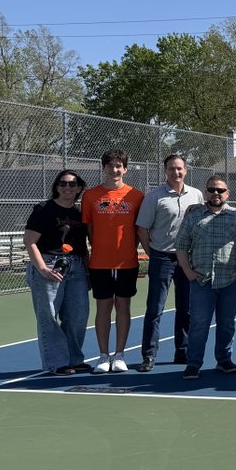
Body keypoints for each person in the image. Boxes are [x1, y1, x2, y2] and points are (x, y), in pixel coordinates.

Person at [175, 176, 236, 379]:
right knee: (199, 324)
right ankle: (193, 363)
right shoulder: (193, 216)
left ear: (228, 193)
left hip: (230, 280)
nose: (216, 193)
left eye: (220, 190)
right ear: (206, 192)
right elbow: (182, 246)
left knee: (227, 323)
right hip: (202, 280)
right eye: (212, 190)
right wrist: (188, 271)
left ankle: (224, 360)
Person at [135, 154, 204, 371]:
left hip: (188, 260)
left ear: (186, 170)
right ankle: (148, 356)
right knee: (155, 308)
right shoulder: (154, 197)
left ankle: (182, 352)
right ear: (165, 171)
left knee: (187, 309)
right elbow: (142, 229)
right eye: (171, 169)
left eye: (179, 168)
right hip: (162, 258)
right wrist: (153, 253)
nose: (176, 172)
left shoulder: (197, 195)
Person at [82, 149, 144, 373]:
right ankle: (103, 355)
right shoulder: (90, 196)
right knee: (103, 307)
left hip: (127, 262)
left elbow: (140, 229)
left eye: (119, 165)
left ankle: (119, 354)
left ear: (125, 169)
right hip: (99, 263)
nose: (114, 169)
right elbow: (89, 228)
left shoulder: (136, 195)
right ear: (103, 168)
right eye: (110, 165)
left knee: (123, 306)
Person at [23, 170, 90, 375]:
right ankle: (57, 363)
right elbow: (30, 241)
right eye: (62, 183)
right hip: (49, 265)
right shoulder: (44, 209)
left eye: (72, 184)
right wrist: (43, 269)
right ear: (57, 186)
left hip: (76, 267)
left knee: (78, 316)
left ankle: (74, 359)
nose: (67, 187)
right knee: (49, 317)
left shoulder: (80, 214)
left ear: (79, 188)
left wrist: (87, 271)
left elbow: (83, 246)